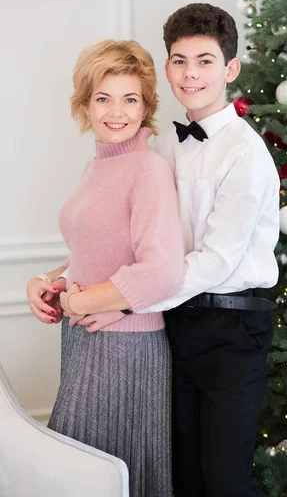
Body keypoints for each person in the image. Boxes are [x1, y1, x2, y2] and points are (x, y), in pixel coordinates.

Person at [71, 3, 280, 497]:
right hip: (173, 323)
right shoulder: (161, 148)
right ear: (166, 69)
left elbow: (215, 261)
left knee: (223, 478)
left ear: (230, 69)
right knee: (180, 472)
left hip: (232, 327)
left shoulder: (246, 153)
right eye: (180, 60)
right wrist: (66, 279)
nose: (191, 74)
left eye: (205, 61)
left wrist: (123, 299)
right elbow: (131, 241)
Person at [26, 39, 185, 497]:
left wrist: (77, 299)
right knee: (87, 475)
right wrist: (52, 282)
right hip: (83, 337)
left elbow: (162, 271)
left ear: (146, 106)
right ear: (85, 106)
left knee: (89, 474)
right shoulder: (94, 167)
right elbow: (93, 250)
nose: (117, 111)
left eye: (130, 98)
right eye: (104, 98)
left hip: (126, 350)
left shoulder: (148, 169)